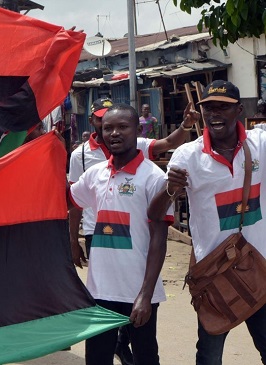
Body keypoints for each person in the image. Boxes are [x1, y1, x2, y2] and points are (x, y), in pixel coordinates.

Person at [68, 97, 199, 364]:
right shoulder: (94, 175)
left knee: (145, 357)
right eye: (108, 128)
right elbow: (66, 202)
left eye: (122, 127)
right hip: (99, 292)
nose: (114, 133)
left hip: (137, 293)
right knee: (97, 358)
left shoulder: (154, 178)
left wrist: (145, 295)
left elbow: (159, 241)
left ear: (138, 131)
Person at [149, 80, 266, 365]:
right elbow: (154, 214)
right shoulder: (186, 156)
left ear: (238, 110)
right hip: (215, 274)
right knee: (209, 356)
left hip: (260, 268)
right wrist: (170, 189)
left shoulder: (260, 144)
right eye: (209, 107)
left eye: (223, 108)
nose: (215, 114)